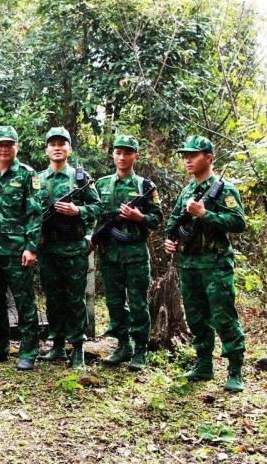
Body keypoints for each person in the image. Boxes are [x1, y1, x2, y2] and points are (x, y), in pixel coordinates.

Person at [164, 135, 246, 392]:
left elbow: (238, 223)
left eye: (194, 155)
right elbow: (173, 224)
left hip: (215, 264)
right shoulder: (187, 191)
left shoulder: (224, 189)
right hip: (189, 265)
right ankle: (203, 365)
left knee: (223, 317)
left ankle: (235, 370)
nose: (188, 159)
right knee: (197, 318)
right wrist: (171, 241)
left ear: (208, 158)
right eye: (185, 155)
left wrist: (205, 214)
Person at [94, 135, 162, 371]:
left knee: (137, 303)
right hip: (109, 254)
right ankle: (123, 345)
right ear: (113, 154)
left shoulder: (145, 186)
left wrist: (139, 217)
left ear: (136, 156)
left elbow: (157, 219)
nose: (122, 157)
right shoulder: (101, 184)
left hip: (135, 254)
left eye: (127, 153)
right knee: (113, 302)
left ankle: (140, 350)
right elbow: (97, 216)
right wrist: (96, 237)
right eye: (118, 152)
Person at [37, 127, 102, 369]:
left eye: (61, 144)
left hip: (74, 249)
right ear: (46, 150)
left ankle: (77, 349)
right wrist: (36, 237)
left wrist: (79, 211)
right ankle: (57, 346)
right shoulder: (38, 179)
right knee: (53, 299)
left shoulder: (81, 179)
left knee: (75, 299)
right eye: (52, 143)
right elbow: (31, 213)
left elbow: (98, 207)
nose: (57, 147)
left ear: (69, 149)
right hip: (48, 250)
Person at [0, 126, 42, 371]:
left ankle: (28, 352)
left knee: (24, 303)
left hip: (18, 252)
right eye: (0, 144)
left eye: (9, 144)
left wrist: (31, 247)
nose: (4, 149)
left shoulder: (27, 174)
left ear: (16, 146)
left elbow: (35, 214)